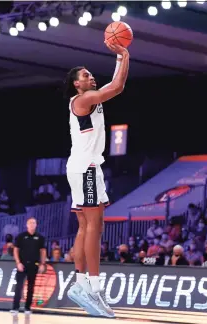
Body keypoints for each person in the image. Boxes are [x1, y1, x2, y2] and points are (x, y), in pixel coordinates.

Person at [63, 40, 130, 318]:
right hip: (87, 168)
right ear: (76, 84)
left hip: (81, 166)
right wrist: (124, 54)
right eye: (85, 75)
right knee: (95, 226)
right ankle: (93, 288)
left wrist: (118, 60)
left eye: (90, 74)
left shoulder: (88, 97)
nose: (90, 76)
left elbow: (111, 85)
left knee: (84, 227)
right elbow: (118, 87)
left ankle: (79, 284)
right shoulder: (83, 99)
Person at [12, 217, 46, 315]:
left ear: (36, 225)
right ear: (27, 225)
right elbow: (16, 250)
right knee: (19, 286)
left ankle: (27, 307)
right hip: (22, 264)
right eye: (30, 223)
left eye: (34, 223)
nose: (32, 224)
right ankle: (15, 308)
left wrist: (42, 264)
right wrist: (18, 262)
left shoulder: (40, 237)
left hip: (34, 264)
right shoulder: (21, 236)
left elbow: (43, 251)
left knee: (31, 287)